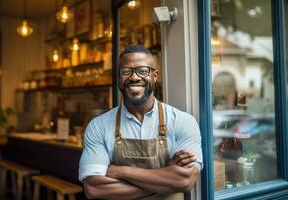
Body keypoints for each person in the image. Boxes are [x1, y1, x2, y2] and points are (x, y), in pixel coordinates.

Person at [79, 45, 203, 199]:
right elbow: (93, 188)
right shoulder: (98, 126)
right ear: (119, 77)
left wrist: (121, 171)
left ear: (155, 75)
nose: (134, 77)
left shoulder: (182, 121)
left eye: (143, 71)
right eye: (126, 71)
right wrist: (167, 180)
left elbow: (185, 181)